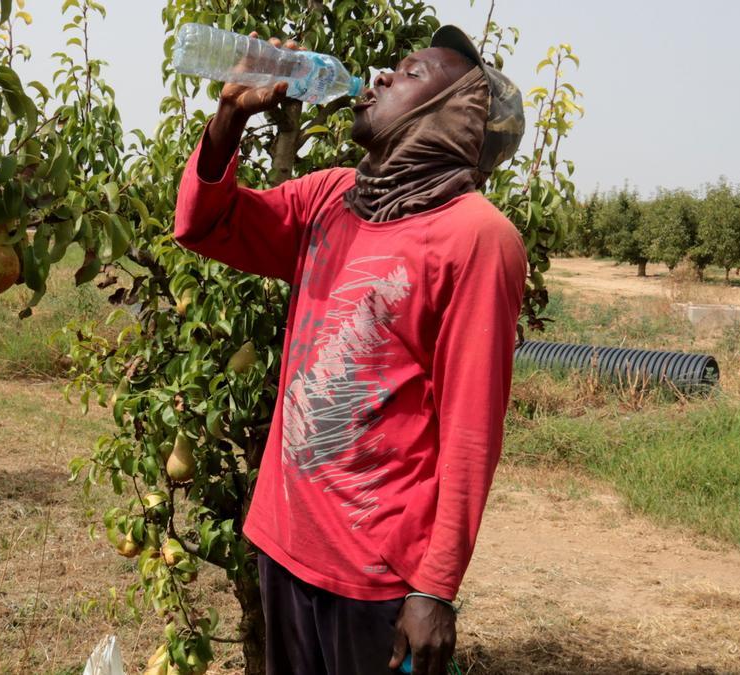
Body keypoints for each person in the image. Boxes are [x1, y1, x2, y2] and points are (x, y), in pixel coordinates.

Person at [173, 25, 528, 675]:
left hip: (375, 579)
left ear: (451, 117)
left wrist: (434, 588)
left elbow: (472, 433)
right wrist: (228, 118)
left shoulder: (477, 237)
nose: (384, 76)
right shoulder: (331, 198)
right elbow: (205, 225)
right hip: (284, 542)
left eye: (412, 73)